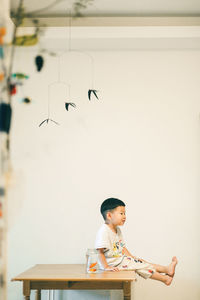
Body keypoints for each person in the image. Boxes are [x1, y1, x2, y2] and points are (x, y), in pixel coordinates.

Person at [95, 198, 178, 285]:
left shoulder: (117, 229)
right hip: (113, 264)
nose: (124, 216)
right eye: (121, 213)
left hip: (120, 260)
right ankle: (165, 275)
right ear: (109, 215)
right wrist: (106, 267)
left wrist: (131, 257)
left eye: (125, 213)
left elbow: (122, 247)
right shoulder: (104, 231)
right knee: (140, 266)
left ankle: (166, 275)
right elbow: (99, 252)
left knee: (139, 262)